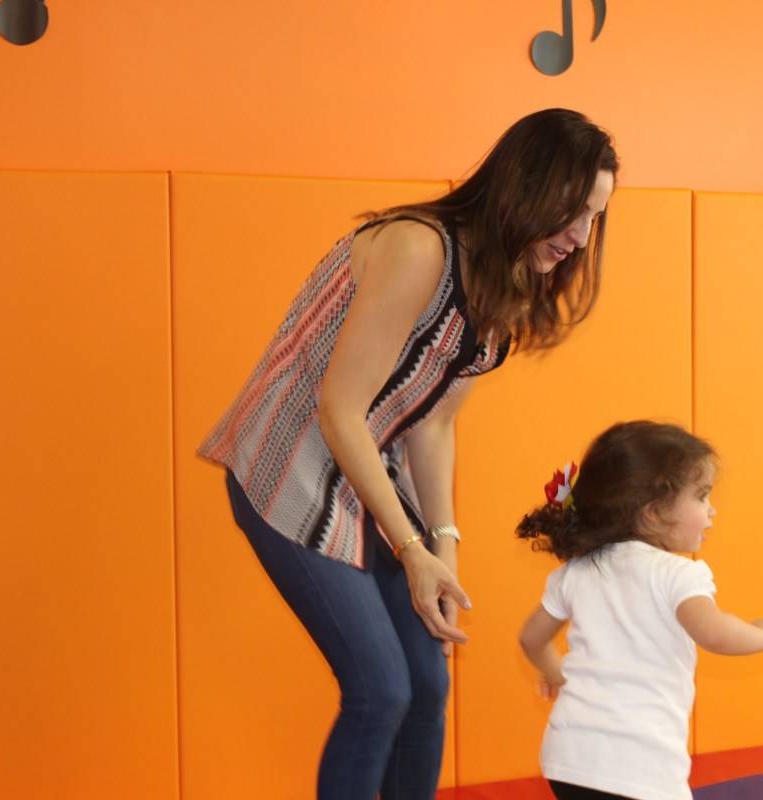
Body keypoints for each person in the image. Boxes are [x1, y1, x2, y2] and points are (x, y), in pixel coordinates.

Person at [198, 108, 619, 800]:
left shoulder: (505, 285)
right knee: (380, 690)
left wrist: (442, 548)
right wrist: (411, 549)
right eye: (572, 211)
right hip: (289, 463)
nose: (579, 237)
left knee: (426, 685)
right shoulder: (418, 248)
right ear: (525, 186)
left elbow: (434, 425)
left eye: (594, 218)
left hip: (367, 473)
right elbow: (339, 409)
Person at [516, 421, 763, 800]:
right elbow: (715, 633)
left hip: (569, 758)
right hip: (638, 765)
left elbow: (531, 638)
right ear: (654, 512)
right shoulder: (676, 574)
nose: (712, 510)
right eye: (702, 496)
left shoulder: (576, 571)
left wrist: (555, 675)